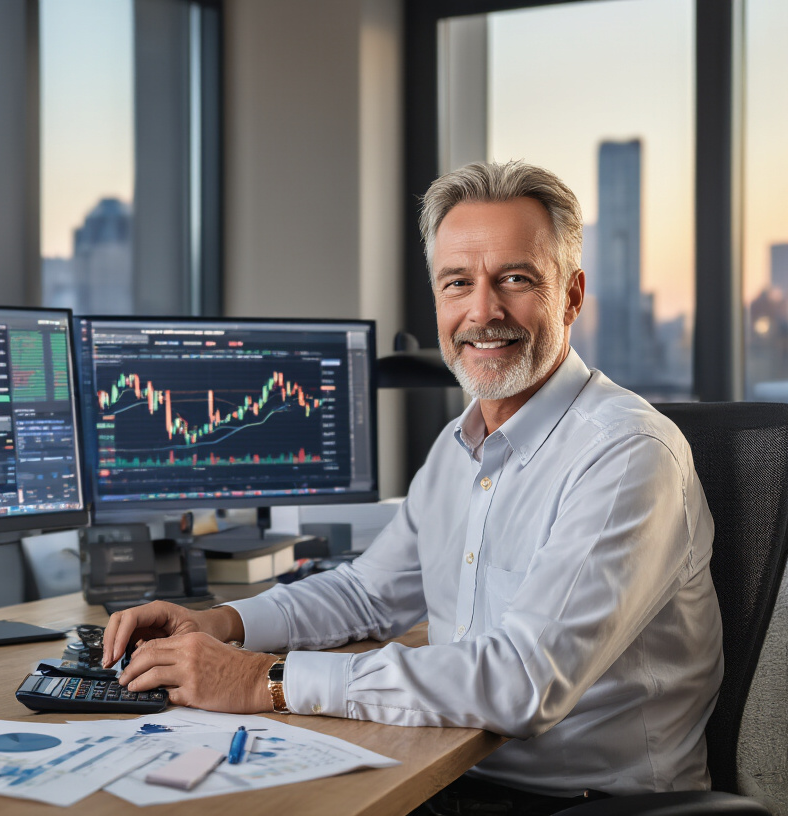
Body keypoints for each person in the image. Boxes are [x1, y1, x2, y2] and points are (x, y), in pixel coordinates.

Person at [102, 160, 723, 814]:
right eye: (458, 283)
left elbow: (521, 682)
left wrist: (268, 681)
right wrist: (222, 624)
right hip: (451, 771)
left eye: (515, 279)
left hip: (589, 803)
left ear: (570, 295)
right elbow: (367, 593)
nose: (483, 311)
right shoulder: (460, 449)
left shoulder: (625, 453)